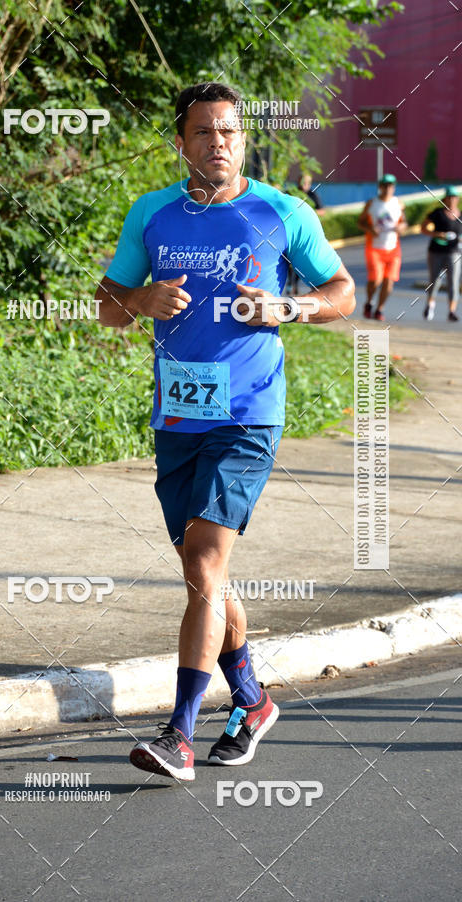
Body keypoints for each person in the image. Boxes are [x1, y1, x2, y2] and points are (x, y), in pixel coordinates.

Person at [95, 82, 356, 782]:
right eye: (205, 132)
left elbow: (342, 293)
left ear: (243, 139)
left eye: (230, 131)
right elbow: (107, 310)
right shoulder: (151, 214)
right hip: (177, 418)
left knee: (206, 564)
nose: (219, 142)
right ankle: (252, 699)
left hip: (248, 416)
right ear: (181, 143)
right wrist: (139, 298)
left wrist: (287, 307)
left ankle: (179, 734)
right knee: (201, 572)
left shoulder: (281, 211)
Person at [358, 174, 407, 321]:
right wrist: (369, 229)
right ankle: (369, 302)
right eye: (385, 185)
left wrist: (401, 227)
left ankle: (379, 309)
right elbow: (360, 222)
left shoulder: (398, 203)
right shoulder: (372, 203)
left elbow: (404, 222)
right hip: (374, 248)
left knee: (389, 281)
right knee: (376, 280)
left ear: (394, 188)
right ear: (380, 187)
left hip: (393, 248)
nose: (388, 189)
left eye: (391, 186)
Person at [420, 186, 461, 322]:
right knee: (435, 281)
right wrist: (438, 234)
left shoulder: (460, 215)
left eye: (454, 197)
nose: (451, 200)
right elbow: (423, 228)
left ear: (458, 199)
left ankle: (451, 311)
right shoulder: (437, 213)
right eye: (449, 197)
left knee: (453, 282)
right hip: (436, 251)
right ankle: (430, 305)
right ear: (444, 199)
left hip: (454, 252)